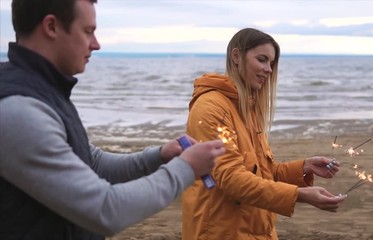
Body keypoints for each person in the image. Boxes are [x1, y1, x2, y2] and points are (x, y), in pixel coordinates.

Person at [0, 0, 225, 239]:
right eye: (88, 31)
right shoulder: (19, 110)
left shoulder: (43, 91)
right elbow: (104, 210)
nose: (96, 44)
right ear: (52, 27)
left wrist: (158, 156)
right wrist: (186, 168)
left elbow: (91, 163)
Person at [181, 28, 347, 240]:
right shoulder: (211, 107)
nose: (268, 69)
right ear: (236, 57)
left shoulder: (247, 107)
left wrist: (303, 167)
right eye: (262, 60)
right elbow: (231, 179)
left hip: (258, 231)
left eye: (271, 63)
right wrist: (299, 195)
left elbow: (262, 174)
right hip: (222, 232)